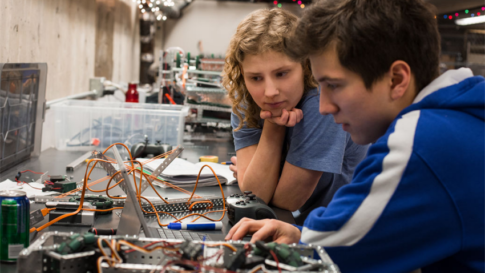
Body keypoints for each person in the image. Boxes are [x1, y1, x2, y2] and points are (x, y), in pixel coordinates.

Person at [225, 0, 485, 272]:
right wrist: (304, 235)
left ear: (396, 79)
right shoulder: (458, 114)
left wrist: (309, 238)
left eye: (334, 85)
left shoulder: (422, 144)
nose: (324, 107)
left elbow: (330, 251)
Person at [222, 9, 368, 224]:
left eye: (281, 74)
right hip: (289, 224)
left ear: (305, 66)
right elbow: (256, 195)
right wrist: (274, 125)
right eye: (255, 78)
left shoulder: (322, 101)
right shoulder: (245, 98)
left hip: (338, 225)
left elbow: (287, 202)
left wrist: (249, 175)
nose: (270, 91)